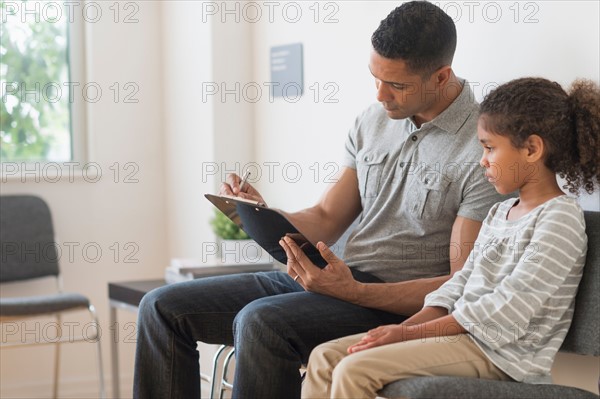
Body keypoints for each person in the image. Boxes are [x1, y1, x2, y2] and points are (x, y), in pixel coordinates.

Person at [133, 2, 506, 398]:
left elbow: (459, 283)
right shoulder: (373, 121)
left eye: (396, 85)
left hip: (386, 301)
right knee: (160, 308)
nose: (380, 95)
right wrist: (264, 214)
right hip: (331, 280)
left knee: (261, 323)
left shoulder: (482, 148)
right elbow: (327, 216)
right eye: (375, 78)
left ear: (441, 76)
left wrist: (354, 292)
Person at [299, 77, 600, 399]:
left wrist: (409, 334)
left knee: (354, 368)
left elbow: (505, 309)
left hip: (503, 357)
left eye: (489, 148)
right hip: (462, 339)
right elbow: (459, 285)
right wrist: (402, 331)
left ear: (531, 148)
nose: (482, 160)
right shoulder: (500, 213)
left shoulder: (559, 219)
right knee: (326, 357)